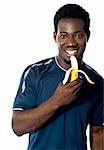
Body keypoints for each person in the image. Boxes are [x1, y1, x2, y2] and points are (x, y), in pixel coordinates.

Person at [12, 4, 104, 150]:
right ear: (55, 37)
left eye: (78, 35)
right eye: (64, 35)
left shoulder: (96, 82)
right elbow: (18, 127)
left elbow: (98, 132)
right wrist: (57, 101)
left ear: (88, 37)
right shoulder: (35, 73)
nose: (71, 42)